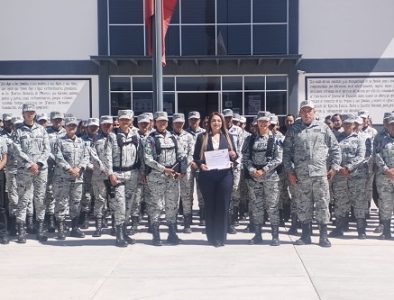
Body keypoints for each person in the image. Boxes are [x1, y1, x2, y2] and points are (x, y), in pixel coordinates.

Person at [283, 100, 341, 248]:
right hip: (301, 176)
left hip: (320, 175)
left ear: (314, 112)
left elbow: (335, 148)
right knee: (303, 205)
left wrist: (334, 167)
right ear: (300, 113)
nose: (307, 113)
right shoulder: (293, 130)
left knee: (322, 204)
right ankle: (305, 235)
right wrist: (290, 172)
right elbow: (287, 154)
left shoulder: (324, 128)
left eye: (309, 110)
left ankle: (323, 236)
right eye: (304, 111)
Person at [193, 112, 238, 247]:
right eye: (214, 121)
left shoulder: (228, 137)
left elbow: (235, 157)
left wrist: (233, 155)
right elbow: (196, 156)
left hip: (225, 176)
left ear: (222, 122)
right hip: (207, 176)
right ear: (209, 123)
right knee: (210, 206)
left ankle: (221, 238)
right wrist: (201, 165)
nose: (216, 123)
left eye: (219, 120)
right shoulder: (202, 137)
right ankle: (211, 237)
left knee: (223, 206)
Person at [144, 111, 187, 246]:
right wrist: (164, 169)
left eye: (164, 121)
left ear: (167, 123)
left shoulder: (173, 138)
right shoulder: (150, 139)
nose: (162, 124)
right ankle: (156, 235)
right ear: (155, 123)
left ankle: (172, 233)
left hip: (172, 177)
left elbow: (181, 155)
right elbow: (147, 159)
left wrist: (182, 171)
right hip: (157, 177)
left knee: (172, 205)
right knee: (156, 206)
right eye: (159, 121)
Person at [242, 111, 282, 246]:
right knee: (257, 207)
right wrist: (253, 170)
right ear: (256, 123)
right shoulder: (250, 139)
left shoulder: (276, 139)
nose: (263, 124)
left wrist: (264, 170)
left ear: (269, 123)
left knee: (272, 206)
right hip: (254, 179)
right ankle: (258, 235)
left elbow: (278, 159)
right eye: (261, 121)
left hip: (270, 177)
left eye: (266, 121)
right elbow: (245, 157)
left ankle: (275, 235)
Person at [12, 103, 51, 243]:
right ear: (23, 114)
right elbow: (16, 151)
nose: (30, 114)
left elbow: (47, 149)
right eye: (27, 112)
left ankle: (40, 229)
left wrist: (38, 163)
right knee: (23, 199)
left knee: (40, 199)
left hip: (41, 170)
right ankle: (21, 230)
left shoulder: (42, 130)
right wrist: (29, 164)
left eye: (32, 112)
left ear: (35, 114)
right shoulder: (17, 131)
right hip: (25, 170)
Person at [104, 110, 143, 247]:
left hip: (132, 174)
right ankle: (119, 234)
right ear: (118, 120)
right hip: (118, 175)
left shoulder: (136, 135)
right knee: (120, 205)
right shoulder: (112, 137)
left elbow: (140, 156)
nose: (125, 122)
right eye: (122, 120)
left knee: (129, 206)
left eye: (127, 120)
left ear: (131, 121)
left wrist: (141, 173)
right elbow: (107, 157)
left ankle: (124, 232)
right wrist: (110, 174)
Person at [329, 115, 368, 239]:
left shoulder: (360, 138)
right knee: (340, 202)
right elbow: (332, 154)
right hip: (340, 176)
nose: (347, 126)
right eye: (345, 123)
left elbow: (361, 156)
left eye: (350, 124)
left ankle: (361, 231)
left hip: (356, 176)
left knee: (358, 202)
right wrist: (338, 167)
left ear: (354, 125)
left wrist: (348, 168)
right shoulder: (337, 138)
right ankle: (340, 228)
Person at [53, 117, 90, 240]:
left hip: (77, 178)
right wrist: (69, 169)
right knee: (61, 202)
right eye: (69, 125)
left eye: (74, 126)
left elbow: (86, 156)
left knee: (76, 202)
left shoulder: (81, 142)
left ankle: (74, 228)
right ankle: (61, 229)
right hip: (63, 178)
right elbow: (58, 157)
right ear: (65, 126)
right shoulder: (59, 141)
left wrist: (79, 169)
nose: (72, 128)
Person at [172, 113, 195, 233]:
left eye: (180, 122)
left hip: (186, 172)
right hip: (173, 172)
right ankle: (173, 222)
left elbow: (191, 154)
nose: (178, 125)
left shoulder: (189, 136)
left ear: (184, 123)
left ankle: (187, 223)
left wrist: (183, 167)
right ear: (173, 123)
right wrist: (175, 169)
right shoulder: (169, 136)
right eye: (176, 122)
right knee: (173, 197)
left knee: (186, 197)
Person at [374, 113, 394, 239]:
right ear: (388, 126)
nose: (393, 126)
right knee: (385, 204)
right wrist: (387, 170)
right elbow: (376, 155)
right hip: (384, 177)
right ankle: (386, 231)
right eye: (392, 124)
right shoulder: (381, 139)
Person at [0, 134, 8, 244]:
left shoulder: (1, 140)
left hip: (0, 172)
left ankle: (3, 233)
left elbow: (4, 158)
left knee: (1, 206)